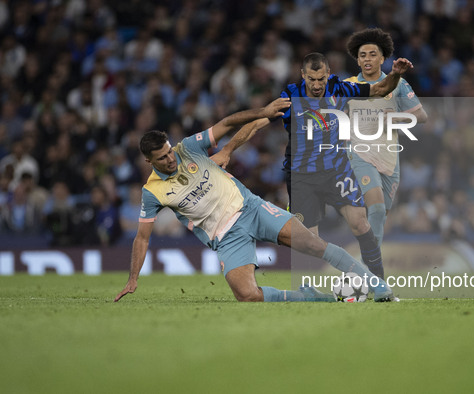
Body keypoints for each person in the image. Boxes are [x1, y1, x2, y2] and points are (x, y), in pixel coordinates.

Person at [114, 99, 394, 303]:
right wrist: (133, 278)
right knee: (247, 295)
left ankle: (377, 285)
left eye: (168, 152)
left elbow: (225, 123)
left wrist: (262, 114)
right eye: (162, 158)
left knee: (312, 243)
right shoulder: (152, 192)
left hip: (251, 208)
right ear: (148, 161)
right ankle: (311, 299)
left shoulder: (188, 148)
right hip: (225, 238)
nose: (170, 158)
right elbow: (141, 238)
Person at [279, 52, 412, 279]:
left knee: (361, 223)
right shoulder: (290, 95)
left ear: (328, 73)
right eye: (311, 79)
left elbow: (379, 89)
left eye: (321, 78)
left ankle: (379, 282)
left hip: (336, 170)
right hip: (302, 176)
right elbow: (262, 117)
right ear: (303, 75)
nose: (317, 84)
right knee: (308, 241)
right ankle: (307, 288)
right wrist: (229, 147)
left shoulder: (340, 88)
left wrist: (395, 75)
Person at [344, 28, 428, 246]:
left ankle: (365, 268)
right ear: (358, 61)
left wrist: (397, 118)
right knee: (377, 208)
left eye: (373, 54)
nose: (367, 59)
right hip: (359, 155)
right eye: (363, 55)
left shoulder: (398, 84)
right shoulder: (348, 86)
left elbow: (422, 115)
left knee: (379, 217)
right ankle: (370, 273)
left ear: (382, 58)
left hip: (389, 160)